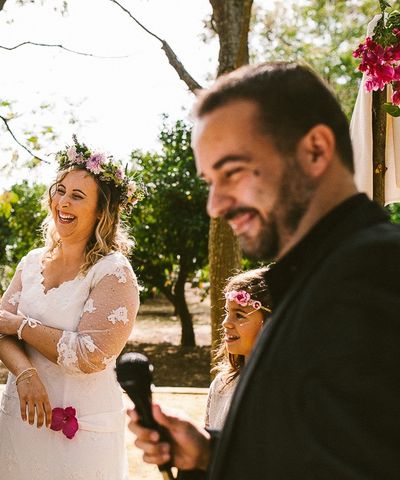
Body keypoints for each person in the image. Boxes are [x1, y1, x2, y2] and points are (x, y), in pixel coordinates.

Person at [128, 61, 400, 478]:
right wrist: (209, 454)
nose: (215, 206)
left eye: (232, 172)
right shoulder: (306, 281)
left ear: (315, 151)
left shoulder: (375, 275)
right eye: (210, 182)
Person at [0, 137, 144, 479]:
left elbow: (91, 354)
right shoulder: (30, 263)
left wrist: (23, 326)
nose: (63, 202)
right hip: (21, 421)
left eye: (77, 196)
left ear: (101, 211)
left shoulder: (113, 271)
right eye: (60, 190)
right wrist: (26, 373)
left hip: (81, 431)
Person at [205, 268, 271, 430]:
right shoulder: (221, 385)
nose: (226, 323)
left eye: (239, 315)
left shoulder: (282, 390)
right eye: (227, 312)